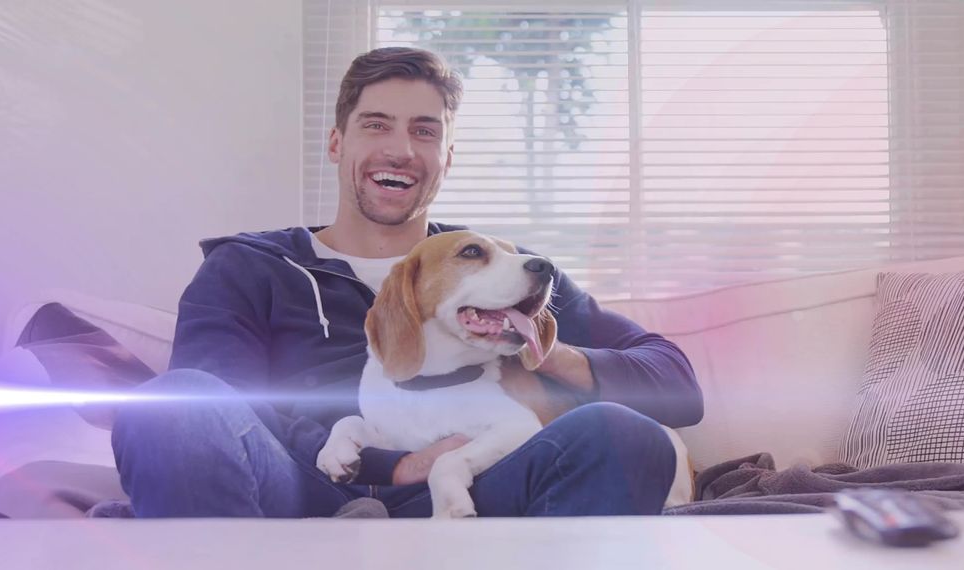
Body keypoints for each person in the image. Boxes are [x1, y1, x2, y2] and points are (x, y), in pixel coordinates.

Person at [111, 47, 703, 518]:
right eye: (377, 125)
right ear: (337, 142)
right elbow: (219, 406)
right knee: (171, 409)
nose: (400, 149)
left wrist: (535, 345)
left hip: (482, 493)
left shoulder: (511, 271)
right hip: (304, 490)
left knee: (627, 434)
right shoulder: (250, 267)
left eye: (425, 131)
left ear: (447, 157)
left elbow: (677, 387)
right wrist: (392, 464)